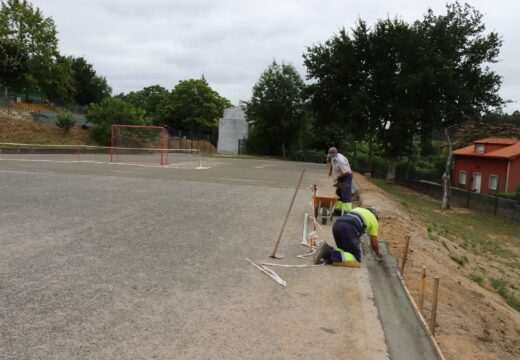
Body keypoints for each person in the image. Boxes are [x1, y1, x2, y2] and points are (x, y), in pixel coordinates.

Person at [313, 206, 382, 264]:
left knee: (344, 251)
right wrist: (378, 253)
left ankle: (328, 249)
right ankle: (327, 252)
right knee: (356, 258)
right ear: (375, 215)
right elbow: (374, 243)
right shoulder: (374, 220)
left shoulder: (358, 209)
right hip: (348, 228)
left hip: (337, 225)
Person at [327, 147, 353, 214]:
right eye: (330, 155)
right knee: (339, 193)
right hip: (341, 177)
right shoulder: (333, 158)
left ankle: (347, 211)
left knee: (345, 193)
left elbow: (346, 172)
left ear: (335, 153)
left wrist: (337, 177)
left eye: (332, 155)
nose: (331, 157)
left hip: (346, 177)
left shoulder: (341, 160)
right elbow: (332, 164)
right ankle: (338, 210)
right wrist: (330, 171)